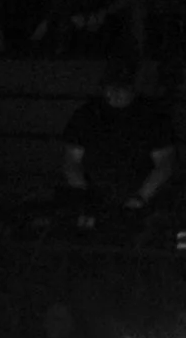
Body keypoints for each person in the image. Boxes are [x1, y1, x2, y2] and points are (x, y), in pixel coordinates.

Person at [59, 57, 176, 220]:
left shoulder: (153, 117)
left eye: (121, 88)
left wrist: (141, 197)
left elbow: (164, 163)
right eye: (110, 87)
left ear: (133, 88)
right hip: (94, 202)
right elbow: (71, 159)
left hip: (140, 205)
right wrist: (83, 195)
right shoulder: (87, 115)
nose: (114, 93)